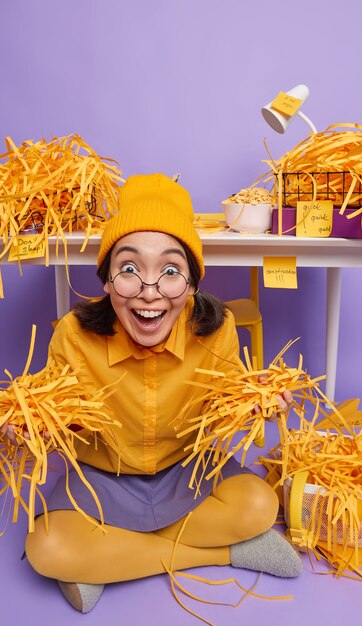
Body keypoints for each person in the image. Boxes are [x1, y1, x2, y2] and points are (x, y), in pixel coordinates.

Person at [18, 173, 302, 613]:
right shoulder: (74, 334)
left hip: (187, 473)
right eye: (129, 270)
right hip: (102, 482)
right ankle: (224, 553)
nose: (149, 294)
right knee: (46, 549)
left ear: (192, 284)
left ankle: (108, 561)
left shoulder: (218, 328)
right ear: (107, 281)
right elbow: (56, 421)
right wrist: (35, 422)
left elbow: (223, 405)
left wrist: (256, 404)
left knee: (259, 505)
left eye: (171, 272)